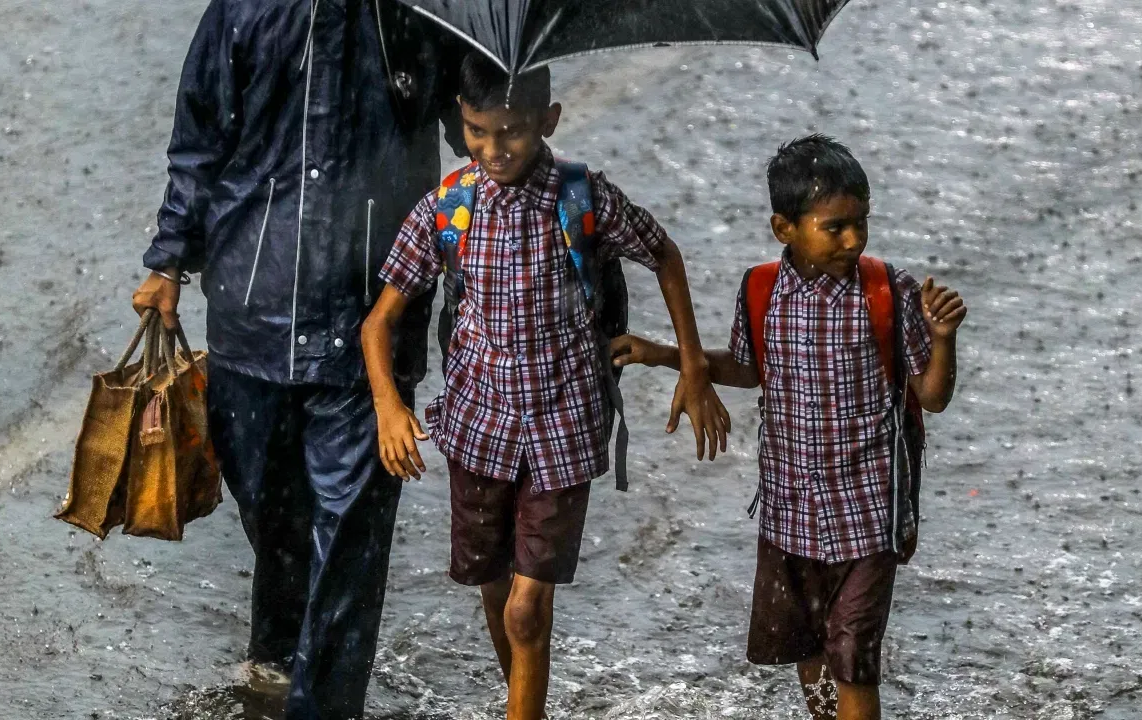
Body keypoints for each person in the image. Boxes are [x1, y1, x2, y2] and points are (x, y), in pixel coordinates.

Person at [361, 54, 730, 720]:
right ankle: (522, 702)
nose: (494, 149)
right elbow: (378, 322)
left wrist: (695, 365)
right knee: (492, 583)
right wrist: (389, 407)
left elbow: (664, 253)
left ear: (548, 121)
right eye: (478, 131)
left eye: (513, 132)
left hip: (564, 424)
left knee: (528, 609)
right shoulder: (450, 205)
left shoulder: (583, 197)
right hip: (478, 424)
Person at [129, 1, 465, 718]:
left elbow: (486, 122)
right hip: (254, 308)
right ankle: (275, 668)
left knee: (348, 537)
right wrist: (168, 260)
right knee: (273, 513)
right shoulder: (245, 11)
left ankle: (325, 704)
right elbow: (198, 138)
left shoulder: (423, 16)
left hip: (372, 321)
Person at [610, 135, 967, 720]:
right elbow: (749, 369)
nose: (853, 240)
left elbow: (932, 395)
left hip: (868, 517)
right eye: (835, 227)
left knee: (853, 657)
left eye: (862, 223)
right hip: (788, 514)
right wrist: (669, 354)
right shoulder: (760, 290)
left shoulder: (890, 292)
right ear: (785, 228)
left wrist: (944, 339)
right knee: (810, 656)